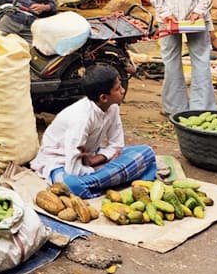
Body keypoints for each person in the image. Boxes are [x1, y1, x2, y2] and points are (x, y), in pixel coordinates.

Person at [30, 65, 156, 198]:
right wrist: (95, 167)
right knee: (70, 184)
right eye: (118, 88)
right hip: (61, 162)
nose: (123, 90)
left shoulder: (112, 107)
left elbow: (117, 145)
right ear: (103, 98)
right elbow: (72, 169)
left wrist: (96, 160)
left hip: (91, 157)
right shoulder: (81, 118)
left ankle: (100, 183)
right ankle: (108, 181)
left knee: (147, 152)